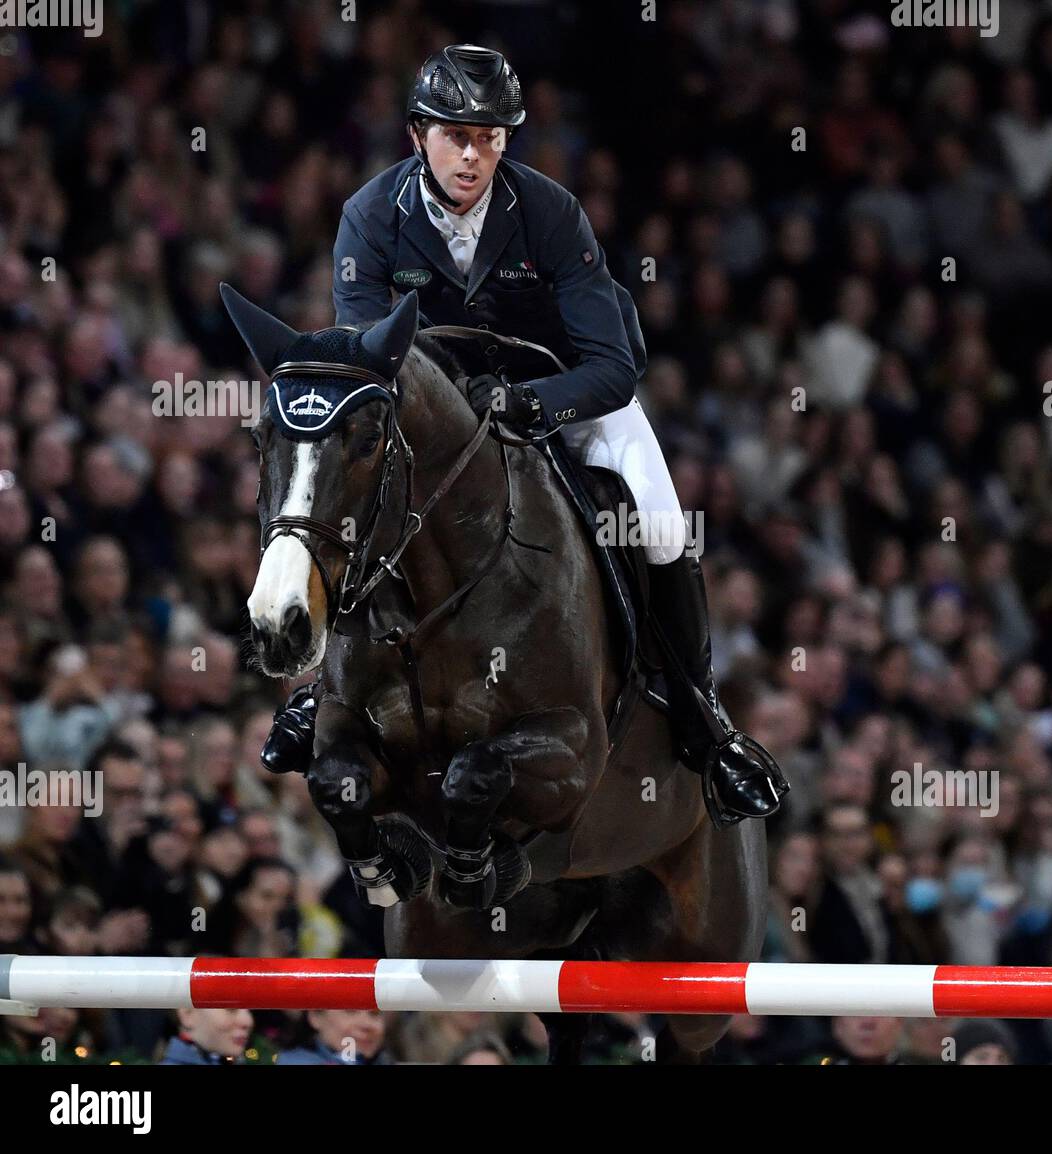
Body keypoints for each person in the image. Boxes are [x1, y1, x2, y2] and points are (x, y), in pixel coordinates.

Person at [259, 45, 786, 824]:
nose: (472, 154)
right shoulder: (371, 216)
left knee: (661, 517)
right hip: (438, 413)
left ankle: (701, 717)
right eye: (454, 135)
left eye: (489, 136)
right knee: (349, 486)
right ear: (416, 135)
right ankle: (328, 692)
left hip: (560, 393)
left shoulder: (548, 212)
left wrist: (534, 406)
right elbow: (372, 361)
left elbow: (612, 366)